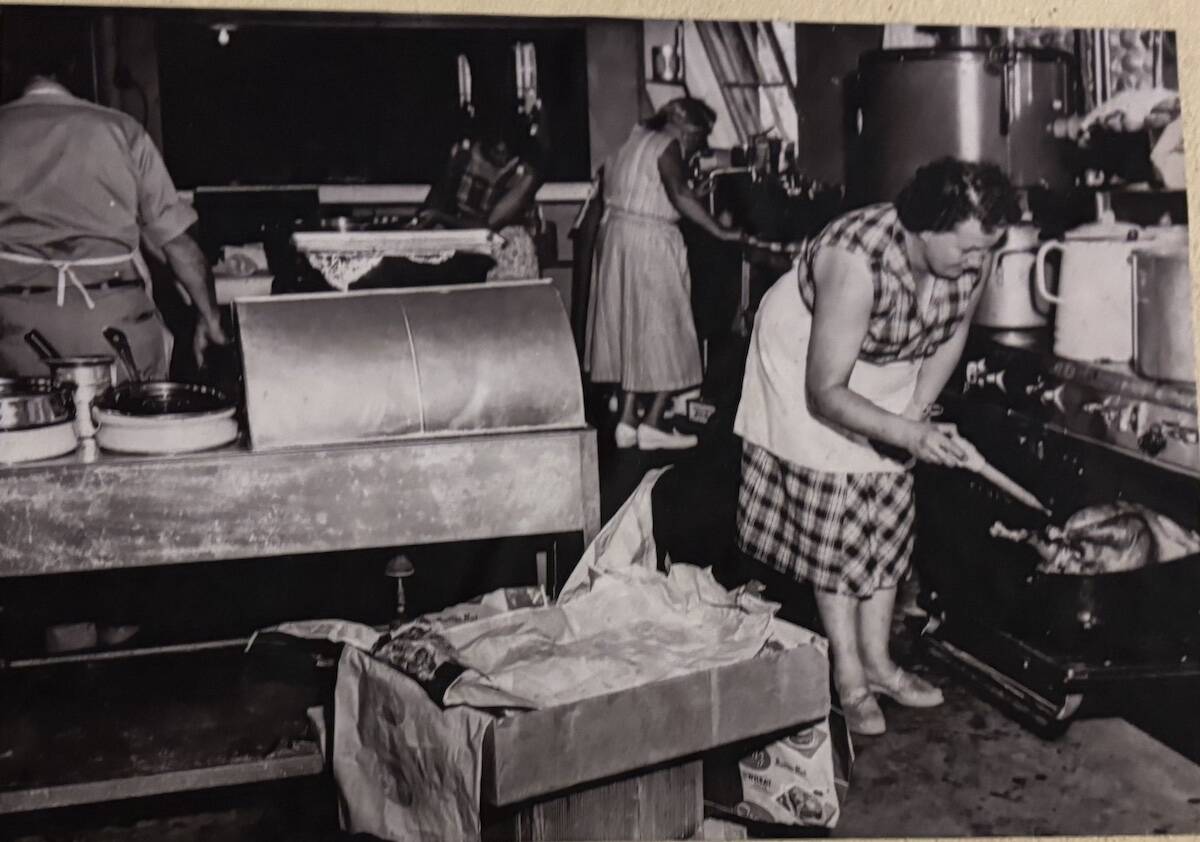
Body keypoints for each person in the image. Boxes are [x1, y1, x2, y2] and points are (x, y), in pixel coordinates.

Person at [734, 158, 1019, 736]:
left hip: (888, 358)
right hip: (811, 360)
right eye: (966, 250)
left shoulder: (971, 253)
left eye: (985, 251)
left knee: (889, 506)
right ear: (924, 226)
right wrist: (909, 433)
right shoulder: (854, 260)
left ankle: (882, 663)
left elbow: (952, 332)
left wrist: (915, 414)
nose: (976, 263)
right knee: (836, 519)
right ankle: (850, 678)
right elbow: (825, 393)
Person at [0, 56, 227, 383]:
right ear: (74, 73)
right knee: (128, 428)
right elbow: (178, 245)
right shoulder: (122, 130)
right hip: (113, 333)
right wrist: (210, 317)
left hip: (17, 335)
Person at [585, 97, 748, 451]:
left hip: (617, 237)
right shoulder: (667, 142)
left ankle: (627, 420)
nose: (696, 144)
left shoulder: (633, 139)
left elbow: (660, 188)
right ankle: (654, 422)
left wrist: (690, 194)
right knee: (668, 329)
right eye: (698, 134)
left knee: (633, 330)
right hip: (650, 242)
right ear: (681, 121)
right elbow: (677, 193)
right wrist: (720, 231)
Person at [413, 113, 543, 281]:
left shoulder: (523, 174)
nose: (501, 148)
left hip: (507, 256)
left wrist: (440, 217)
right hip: (466, 253)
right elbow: (436, 202)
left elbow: (488, 227)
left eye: (507, 140)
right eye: (496, 138)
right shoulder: (464, 157)